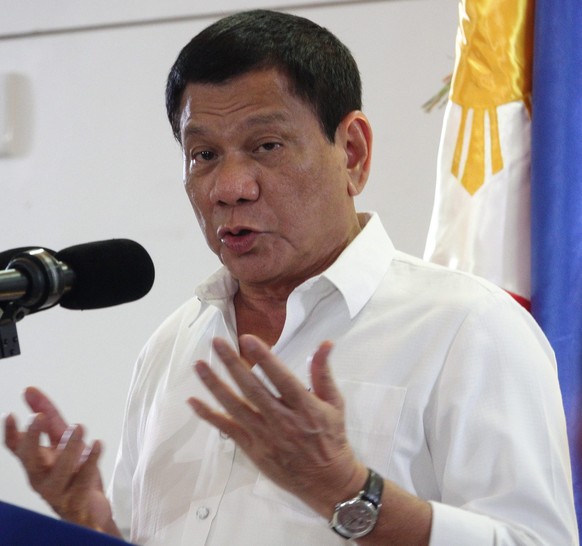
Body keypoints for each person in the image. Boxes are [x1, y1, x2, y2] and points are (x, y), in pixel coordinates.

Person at [3, 9, 578, 546]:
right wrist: (93, 522)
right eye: (203, 154)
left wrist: (347, 491)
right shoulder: (173, 345)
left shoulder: (467, 327)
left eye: (267, 146)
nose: (229, 187)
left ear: (351, 152)